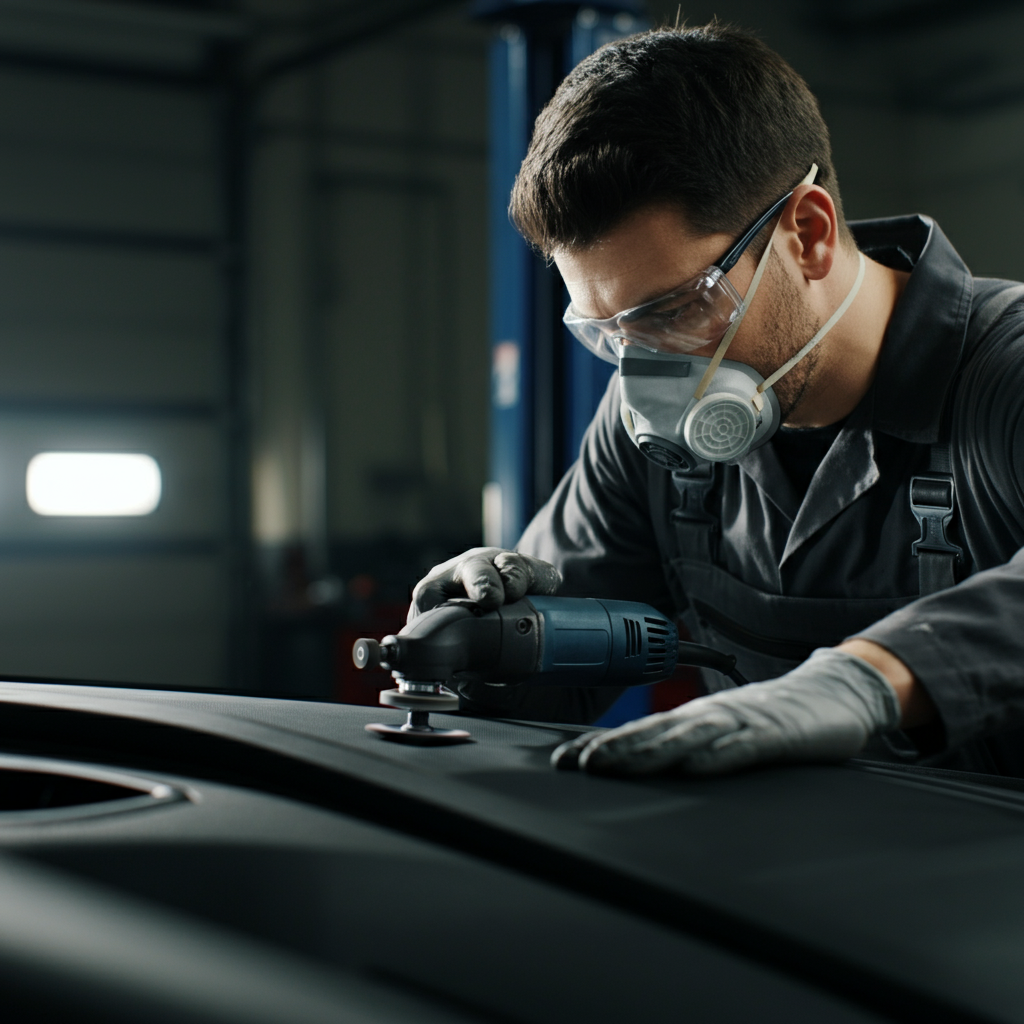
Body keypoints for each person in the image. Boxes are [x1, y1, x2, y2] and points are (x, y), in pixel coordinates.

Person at [411, 23, 1024, 778]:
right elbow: (551, 676)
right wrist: (476, 646)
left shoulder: (1006, 376)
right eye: (610, 331)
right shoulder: (651, 423)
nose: (645, 367)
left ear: (807, 233)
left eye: (673, 311)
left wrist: (868, 682)